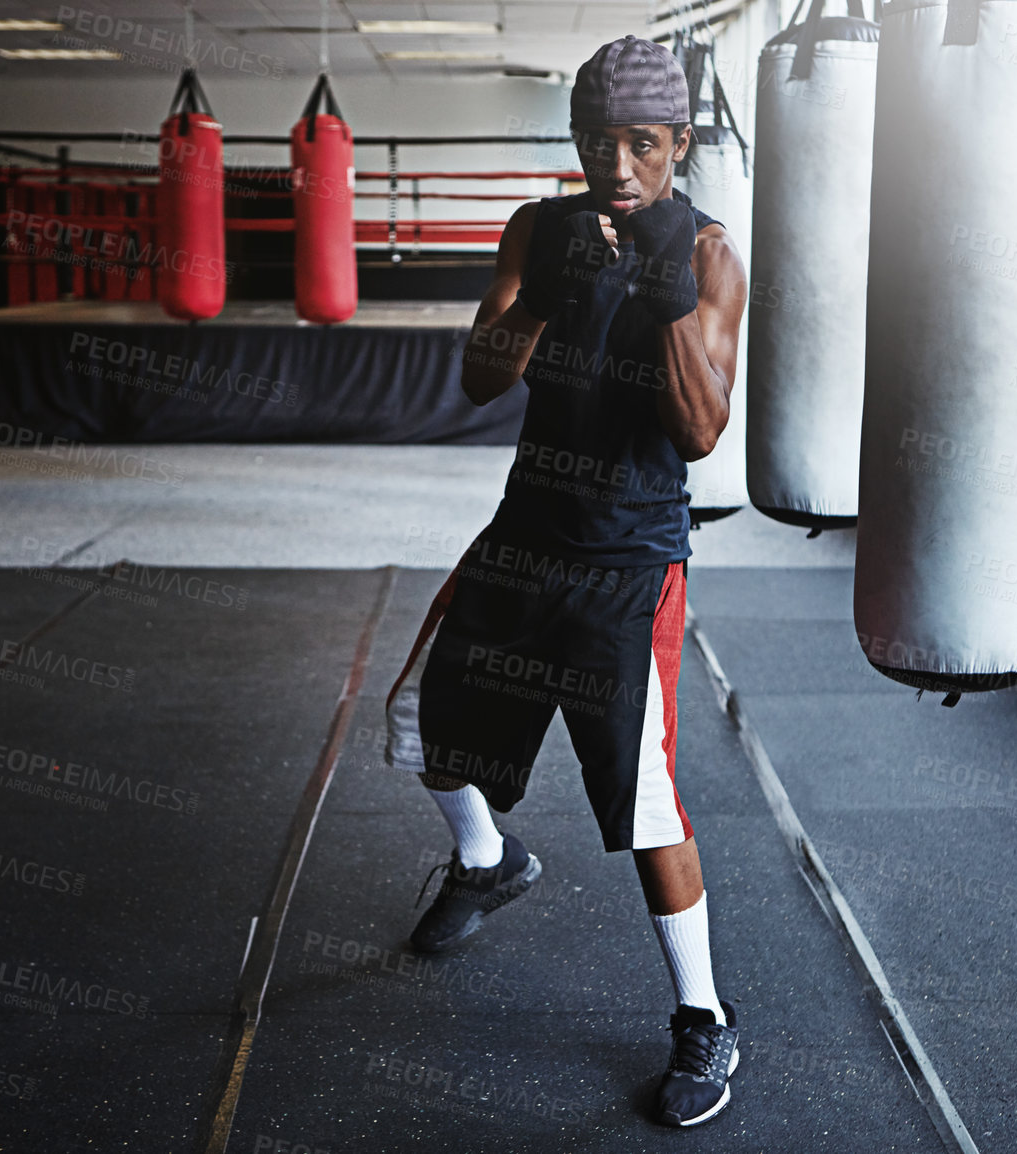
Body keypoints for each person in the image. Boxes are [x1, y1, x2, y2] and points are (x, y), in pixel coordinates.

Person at [384, 35, 748, 1128]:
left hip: (630, 558)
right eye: (599, 143)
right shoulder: (538, 230)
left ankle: (703, 1016)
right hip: (523, 533)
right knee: (416, 721)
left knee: (643, 805)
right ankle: (488, 859)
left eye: (642, 144)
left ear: (678, 143)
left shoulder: (714, 251)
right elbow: (478, 376)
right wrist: (545, 295)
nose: (620, 165)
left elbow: (697, 431)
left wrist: (664, 293)